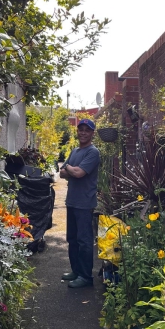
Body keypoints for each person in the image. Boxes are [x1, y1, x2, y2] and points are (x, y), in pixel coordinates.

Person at [59, 118, 100, 288]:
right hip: (72, 201)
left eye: (87, 130)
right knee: (73, 239)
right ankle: (76, 271)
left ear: (92, 133)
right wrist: (69, 168)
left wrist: (68, 167)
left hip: (85, 203)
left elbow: (78, 173)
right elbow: (61, 173)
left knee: (84, 241)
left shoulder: (93, 152)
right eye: (80, 129)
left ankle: (86, 276)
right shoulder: (75, 151)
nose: (83, 132)